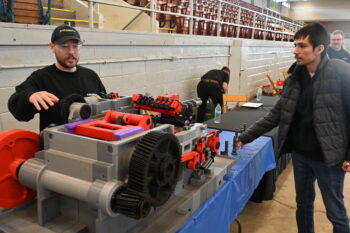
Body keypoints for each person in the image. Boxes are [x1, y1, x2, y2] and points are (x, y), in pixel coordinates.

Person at [236, 23, 350, 233]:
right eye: (295, 45)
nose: (295, 50)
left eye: (302, 46)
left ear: (319, 49)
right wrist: (245, 137)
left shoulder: (341, 72)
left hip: (329, 157)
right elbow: (276, 114)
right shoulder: (295, 77)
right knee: (303, 205)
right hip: (301, 155)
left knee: (335, 212)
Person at [8, 24, 106, 131]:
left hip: (92, 139)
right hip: (56, 144)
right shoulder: (41, 77)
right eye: (64, 46)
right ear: (52, 47)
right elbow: (18, 110)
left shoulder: (91, 76)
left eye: (75, 45)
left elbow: (105, 107)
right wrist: (29, 96)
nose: (71, 51)